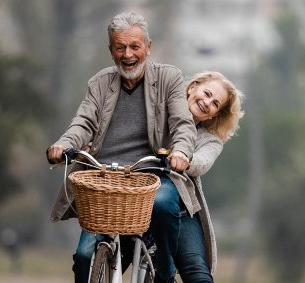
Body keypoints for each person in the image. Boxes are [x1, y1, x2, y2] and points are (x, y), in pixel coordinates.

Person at [46, 11, 198, 283]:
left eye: (135, 46)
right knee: (83, 257)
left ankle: (164, 272)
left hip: (152, 175)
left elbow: (183, 124)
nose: (128, 54)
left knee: (163, 204)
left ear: (148, 48)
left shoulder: (169, 78)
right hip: (104, 179)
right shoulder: (100, 83)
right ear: (111, 50)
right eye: (120, 47)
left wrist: (181, 152)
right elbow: (82, 122)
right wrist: (63, 144)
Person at [165, 71, 245, 282]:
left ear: (214, 115)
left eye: (215, 103)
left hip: (182, 208)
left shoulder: (211, 140)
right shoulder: (160, 111)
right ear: (192, 87)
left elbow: (202, 162)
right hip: (133, 199)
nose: (207, 102)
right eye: (207, 93)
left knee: (197, 272)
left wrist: (186, 160)